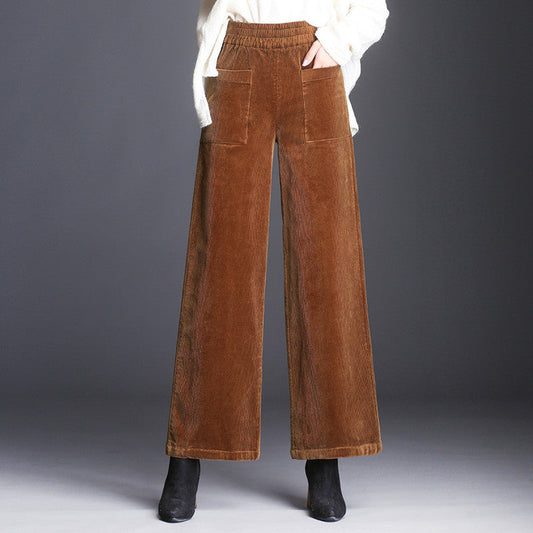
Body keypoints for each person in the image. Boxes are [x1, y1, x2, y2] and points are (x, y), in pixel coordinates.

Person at [158, 0, 389, 523]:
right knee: (219, 266)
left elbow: (372, 7)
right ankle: (186, 458)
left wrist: (337, 42)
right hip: (239, 58)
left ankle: (326, 460)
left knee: (328, 266)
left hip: (314, 61)